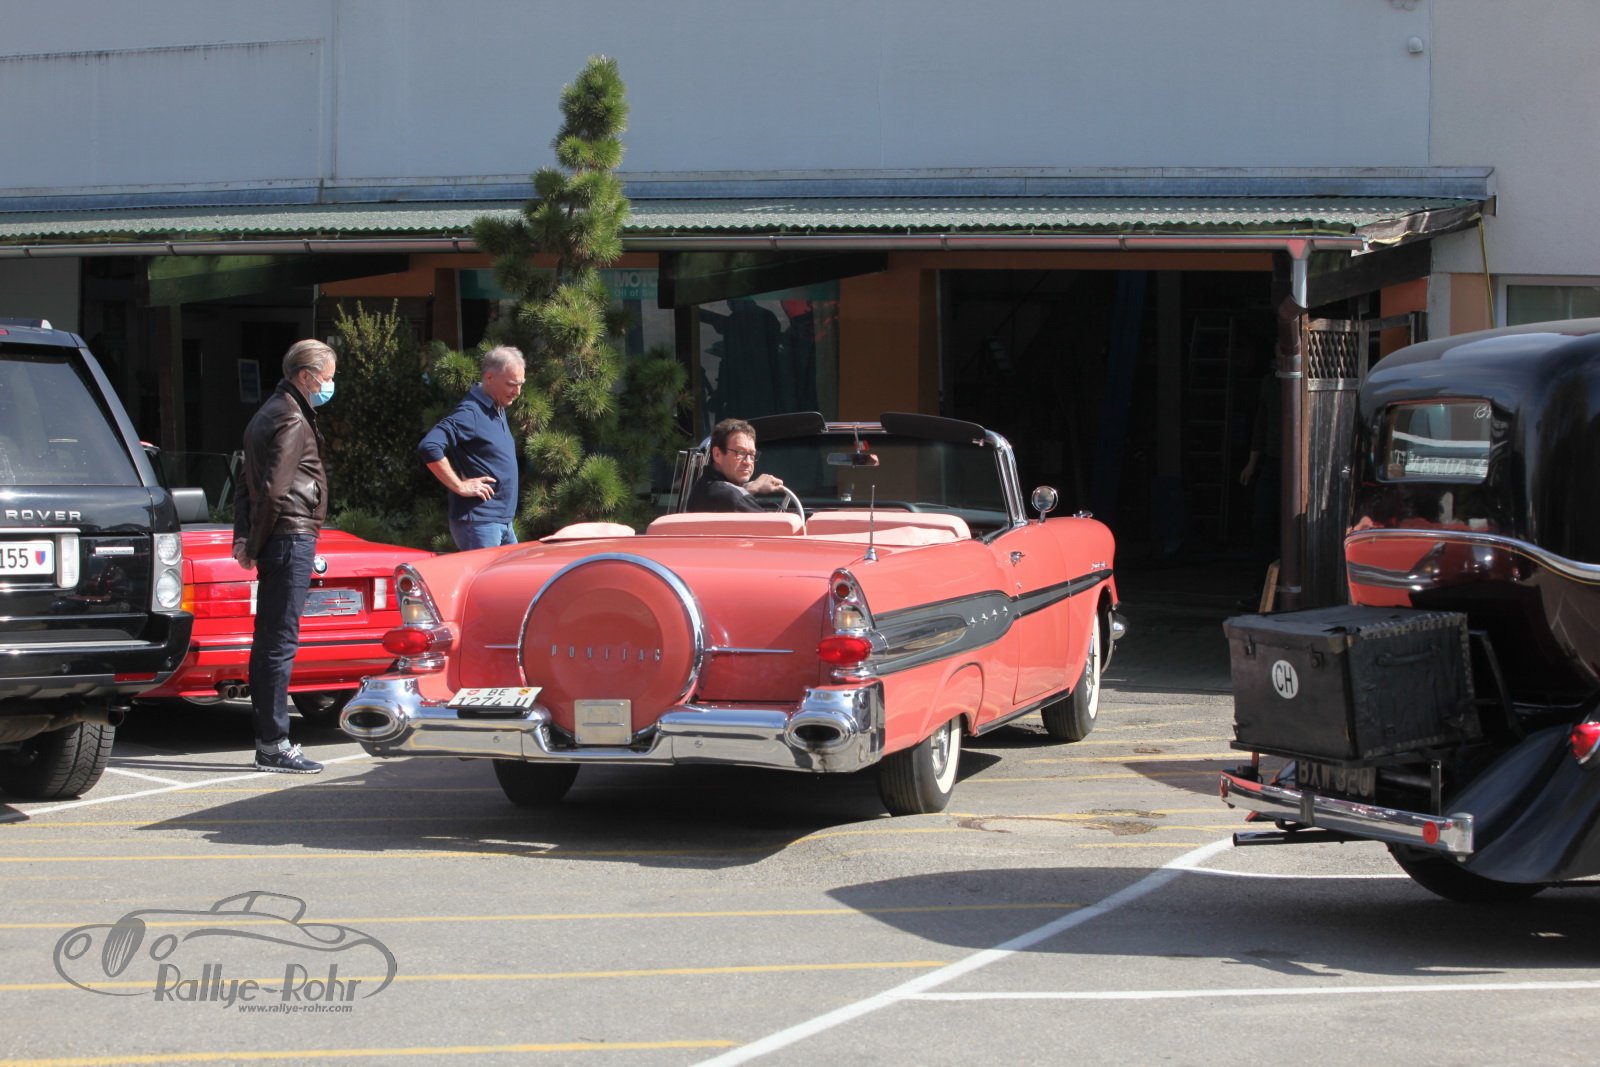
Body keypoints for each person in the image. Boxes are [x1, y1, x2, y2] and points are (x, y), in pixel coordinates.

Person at [232, 339, 337, 774]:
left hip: (280, 537)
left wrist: (245, 539)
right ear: (305, 376)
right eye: (326, 378)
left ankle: (270, 741)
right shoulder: (292, 417)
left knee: (270, 641)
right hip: (291, 536)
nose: (329, 385)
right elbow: (274, 489)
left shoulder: (267, 413)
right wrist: (253, 544)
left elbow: (245, 483)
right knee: (279, 642)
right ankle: (274, 744)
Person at [417, 346, 525, 550]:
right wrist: (459, 485)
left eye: (520, 384)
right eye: (511, 384)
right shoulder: (471, 412)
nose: (517, 392)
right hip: (480, 524)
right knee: (487, 574)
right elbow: (429, 446)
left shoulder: (496, 407)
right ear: (489, 377)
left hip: (500, 523)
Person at [686, 418, 786, 512]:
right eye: (740, 453)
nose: (748, 462)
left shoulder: (700, 488)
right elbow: (772, 525)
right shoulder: (735, 498)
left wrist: (749, 489)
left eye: (752, 454)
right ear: (717, 454)